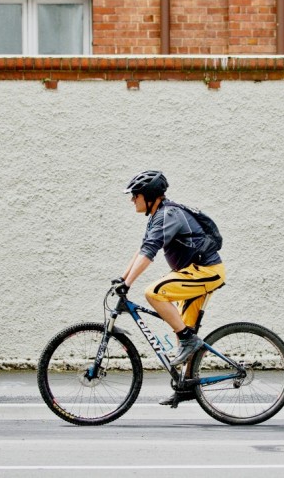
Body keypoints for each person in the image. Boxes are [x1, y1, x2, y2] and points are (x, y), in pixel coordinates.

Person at [110, 170, 226, 402]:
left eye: (135, 195)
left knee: (154, 293)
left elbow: (149, 252)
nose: (132, 199)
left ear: (149, 195)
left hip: (205, 272)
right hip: (194, 273)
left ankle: (188, 340)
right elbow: (143, 247)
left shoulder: (168, 214)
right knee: (185, 331)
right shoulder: (158, 215)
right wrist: (123, 279)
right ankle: (187, 387)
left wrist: (129, 283)